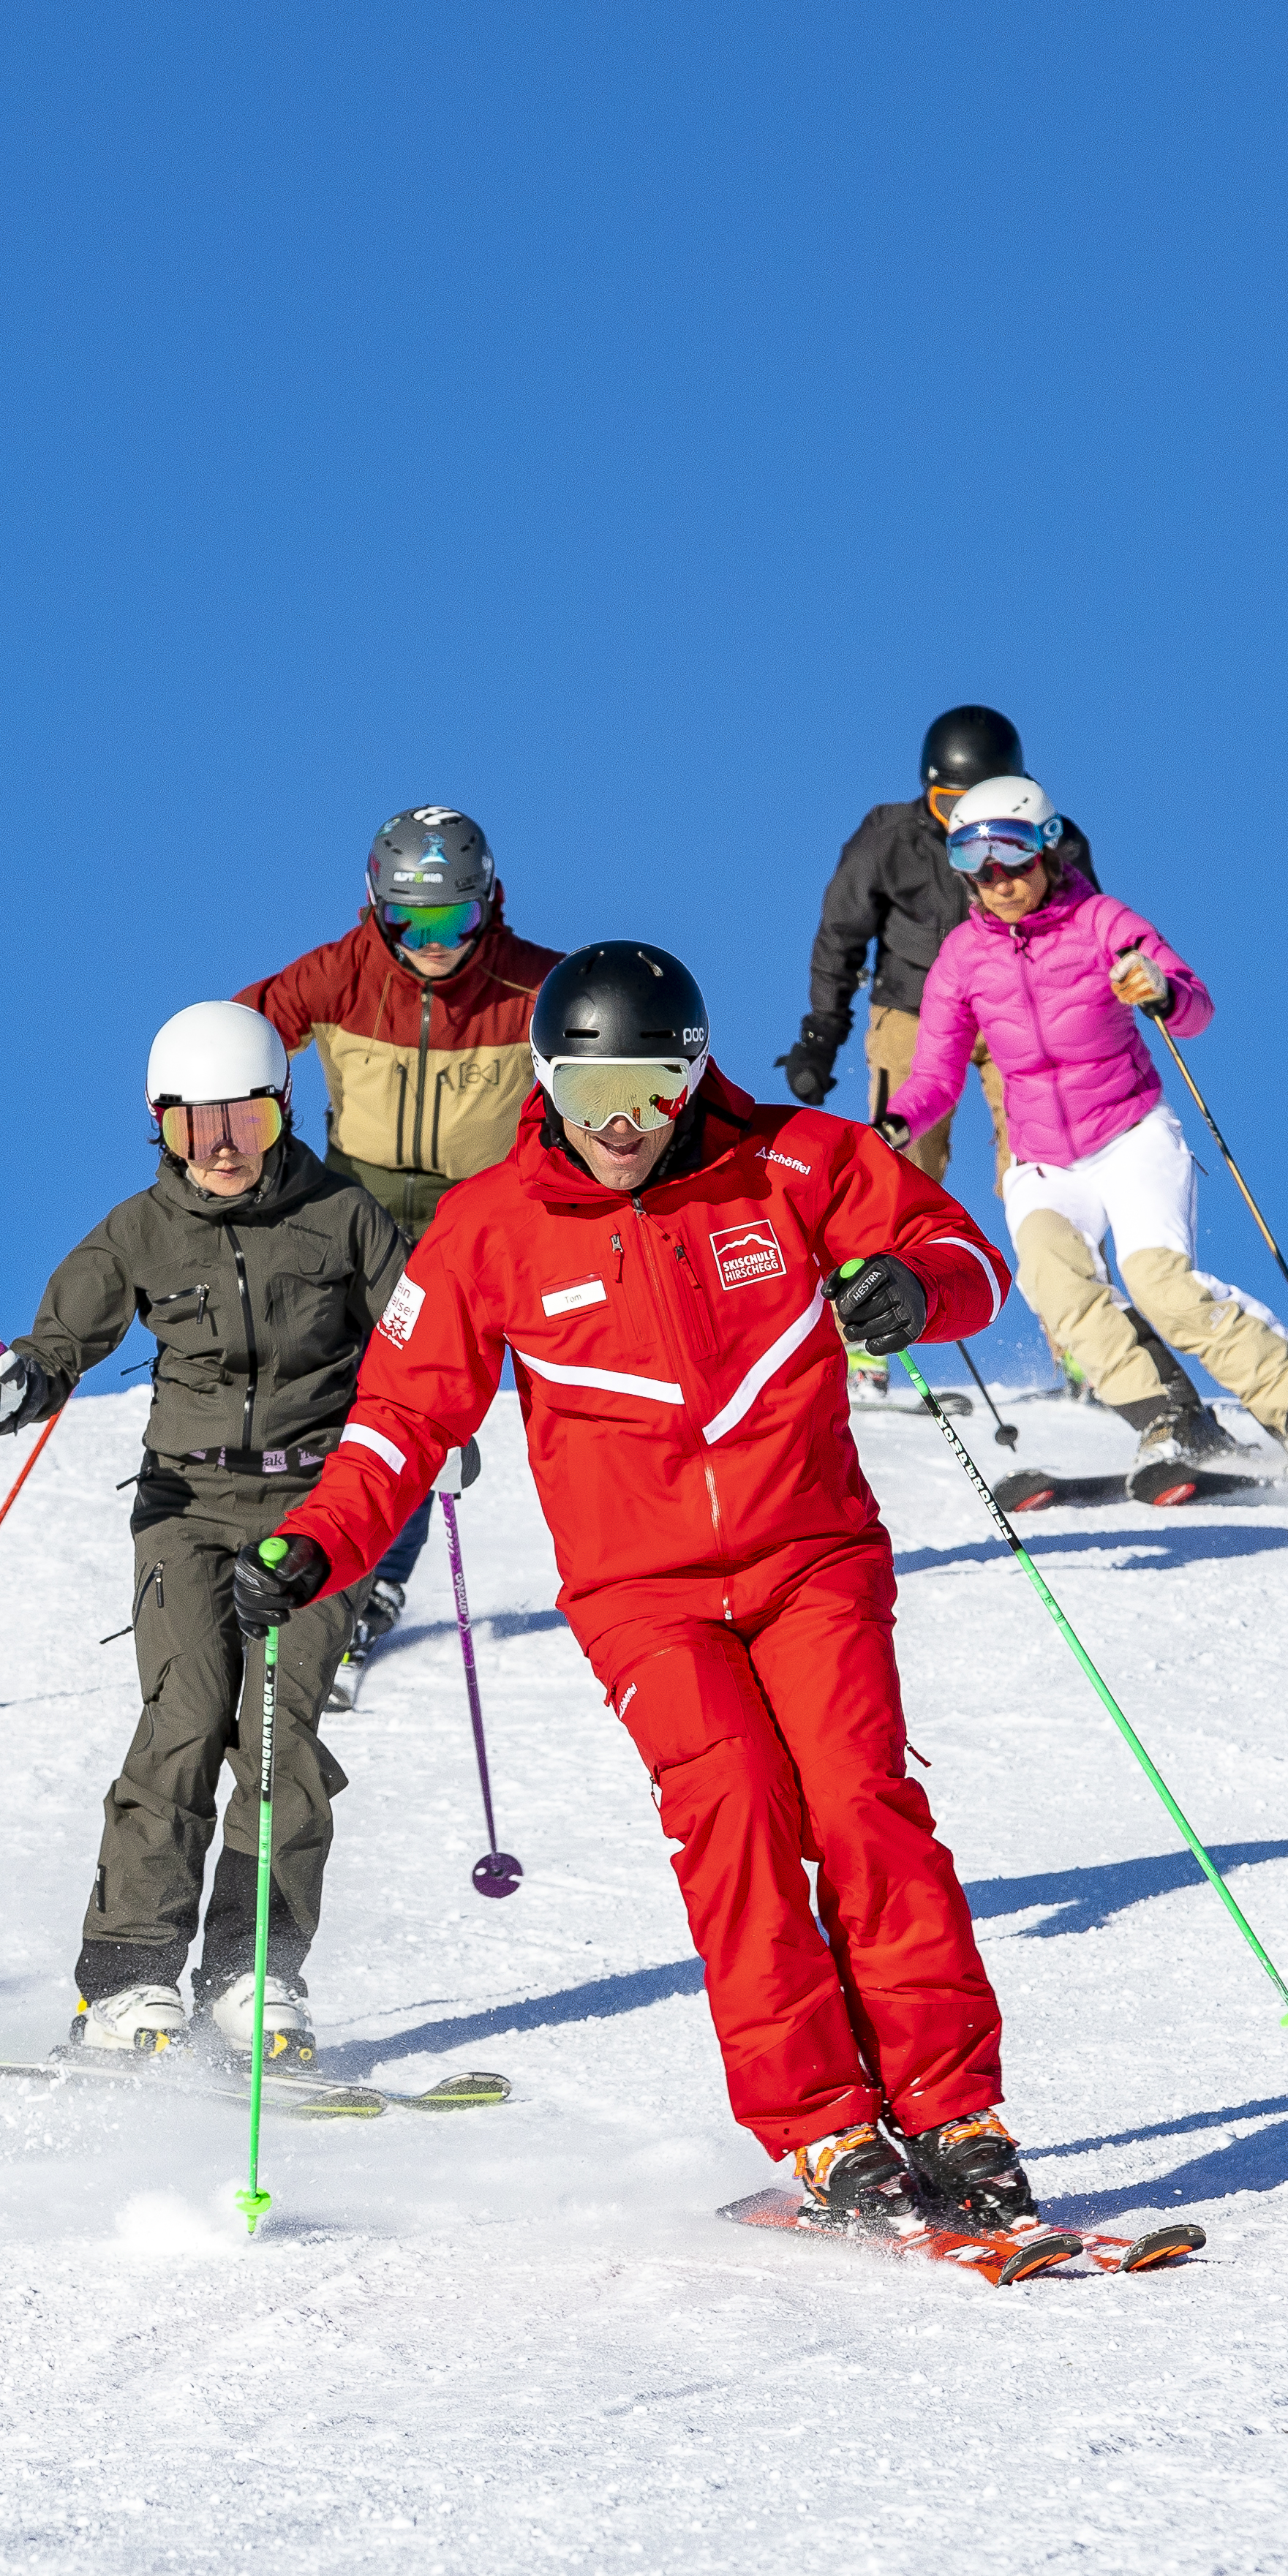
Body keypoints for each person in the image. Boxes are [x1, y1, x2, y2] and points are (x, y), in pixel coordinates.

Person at [216, 942, 1061, 2235]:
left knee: (864, 1803)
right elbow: (399, 1420)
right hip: (643, 1592)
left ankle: (954, 2110)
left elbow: (961, 1251)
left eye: (657, 1088)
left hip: (811, 1556)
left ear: (696, 1073)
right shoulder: (489, 1229)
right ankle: (826, 2127)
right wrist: (319, 1543)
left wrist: (917, 1287)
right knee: (732, 1814)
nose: (624, 1124)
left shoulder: (794, 1164)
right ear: (543, 1080)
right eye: (593, 1088)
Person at [0, 998, 406, 2068]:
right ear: (157, 1124)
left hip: (317, 1512)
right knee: (188, 1718)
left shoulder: (344, 1218)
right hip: (187, 1511)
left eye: (242, 1121)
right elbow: (61, 1341)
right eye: (189, 1125)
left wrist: (441, 1425)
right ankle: (125, 1981)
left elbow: (415, 1337)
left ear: (282, 1111)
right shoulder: (139, 1232)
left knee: (278, 1734)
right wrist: (15, 1385)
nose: (218, 1148)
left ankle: (256, 1975)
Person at [889, 776, 1288, 1480]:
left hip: (1130, 1134)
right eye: (973, 861)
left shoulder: (1100, 922)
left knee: (1160, 1285)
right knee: (1055, 1285)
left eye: (1012, 855)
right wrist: (897, 1123)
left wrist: (1160, 992)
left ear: (1046, 848)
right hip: (1042, 1159)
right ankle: (1171, 1419)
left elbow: (1195, 1007)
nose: (997, 878)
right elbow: (935, 1076)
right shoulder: (962, 958)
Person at [786, 707, 1209, 1447]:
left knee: (1044, 1166)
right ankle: (870, 1345)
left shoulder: (1055, 837)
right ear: (929, 795)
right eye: (950, 807)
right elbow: (841, 932)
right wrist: (823, 1034)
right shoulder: (888, 836)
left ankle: (1080, 1345)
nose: (972, 832)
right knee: (901, 1168)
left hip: (1021, 1022)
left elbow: (1085, 930)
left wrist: (1131, 992)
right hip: (918, 1013)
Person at [236, 807, 561, 1691]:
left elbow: (602, 1039)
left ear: (490, 905)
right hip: (354, 1206)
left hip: (469, 1222)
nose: (433, 945)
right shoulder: (341, 975)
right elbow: (246, 1031)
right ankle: (283, 1551)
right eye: (408, 924)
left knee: (413, 1405)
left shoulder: (531, 988)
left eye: (455, 921)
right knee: (314, 1382)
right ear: (373, 907)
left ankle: (371, 1591)